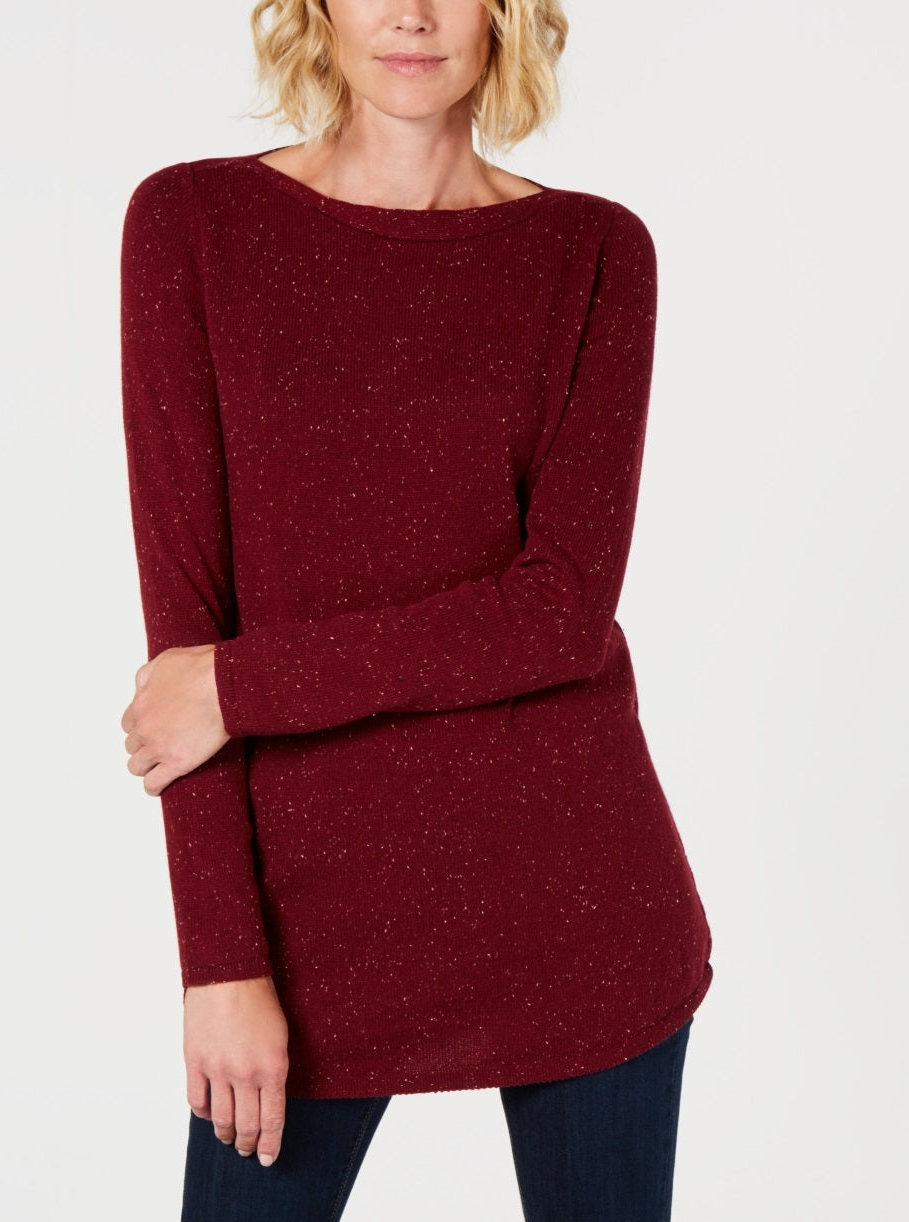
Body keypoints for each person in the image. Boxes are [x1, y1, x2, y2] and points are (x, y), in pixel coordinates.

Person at [119, 1, 713, 1218]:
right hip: (306, 924)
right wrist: (219, 962)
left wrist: (240, 684)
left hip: (576, 900)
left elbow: (558, 611)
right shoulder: (193, 224)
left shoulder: (595, 251)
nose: (411, 14)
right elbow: (184, 629)